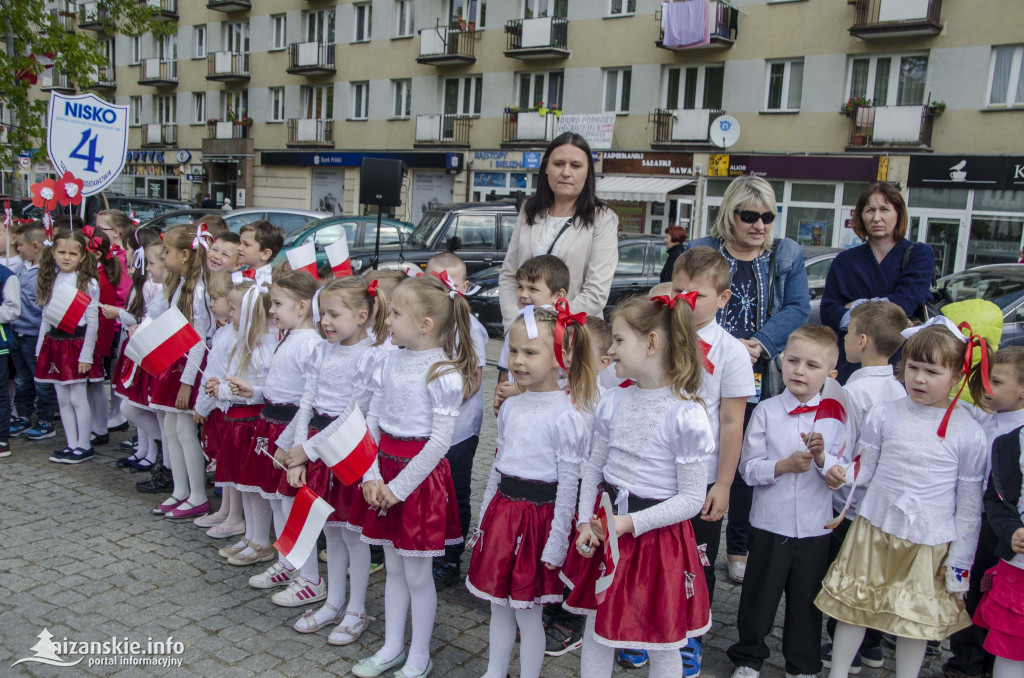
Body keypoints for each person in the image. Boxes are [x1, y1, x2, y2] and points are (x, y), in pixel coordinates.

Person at [817, 320, 988, 678]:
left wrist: (959, 562)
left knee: (915, 621)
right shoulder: (886, 413)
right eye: (913, 368)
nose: (919, 379)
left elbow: (970, 505)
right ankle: (838, 673)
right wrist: (841, 473)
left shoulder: (969, 431)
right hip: (876, 528)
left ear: (957, 376)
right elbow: (866, 468)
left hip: (928, 541)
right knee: (855, 607)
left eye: (932, 371)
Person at [561, 293, 715, 678]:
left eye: (618, 340)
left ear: (651, 343)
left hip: (655, 541)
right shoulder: (612, 401)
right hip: (606, 530)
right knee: (598, 628)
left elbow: (692, 498)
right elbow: (593, 468)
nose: (610, 350)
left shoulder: (686, 414)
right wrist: (583, 521)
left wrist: (630, 525)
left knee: (661, 639)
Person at [620, 246, 749, 677]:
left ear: (724, 299)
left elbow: (732, 421)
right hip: (651, 473)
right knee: (643, 556)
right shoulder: (656, 335)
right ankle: (638, 628)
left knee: (696, 560)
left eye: (698, 296)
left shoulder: (730, 352)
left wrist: (724, 483)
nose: (685, 302)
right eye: (678, 291)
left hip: (701, 477)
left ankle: (689, 638)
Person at [352, 274, 478, 678]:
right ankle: (391, 646)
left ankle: (419, 654)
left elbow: (440, 441)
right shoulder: (389, 360)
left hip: (417, 480)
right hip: (383, 469)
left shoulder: (442, 372)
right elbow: (373, 419)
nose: (388, 322)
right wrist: (371, 475)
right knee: (392, 567)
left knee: (417, 574)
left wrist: (398, 488)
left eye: (396, 314)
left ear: (425, 323)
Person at [687, 174, 811, 585]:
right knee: (703, 447)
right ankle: (686, 531)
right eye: (749, 215)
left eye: (767, 216)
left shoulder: (786, 253)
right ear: (730, 215)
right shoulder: (700, 250)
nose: (759, 225)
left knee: (743, 458)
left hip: (760, 369)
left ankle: (737, 545)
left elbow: (797, 307)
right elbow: (677, 300)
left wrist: (758, 344)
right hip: (702, 367)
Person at [466, 305, 594, 678]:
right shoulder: (511, 406)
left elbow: (568, 487)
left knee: (528, 611)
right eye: (514, 351)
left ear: (561, 357)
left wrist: (556, 544)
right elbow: (498, 466)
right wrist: (483, 518)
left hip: (539, 521)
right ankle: (495, 670)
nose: (518, 361)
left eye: (530, 352)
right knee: (498, 606)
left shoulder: (568, 415)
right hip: (503, 517)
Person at [728, 325, 845, 678]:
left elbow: (846, 468)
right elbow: (747, 469)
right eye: (793, 361)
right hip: (769, 522)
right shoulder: (765, 410)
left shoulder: (838, 416)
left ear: (831, 374)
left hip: (815, 526)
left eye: (812, 365)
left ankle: (803, 664)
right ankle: (748, 658)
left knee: (807, 601)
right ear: (781, 363)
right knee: (759, 596)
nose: (799, 370)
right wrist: (782, 466)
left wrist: (826, 462)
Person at [277, 276, 387, 645]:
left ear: (361, 315)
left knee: (354, 535)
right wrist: (296, 453)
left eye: (333, 314)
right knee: (331, 531)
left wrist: (306, 451)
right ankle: (334, 601)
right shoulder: (320, 349)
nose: (324, 321)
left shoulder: (371, 355)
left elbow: (354, 414)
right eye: (322, 312)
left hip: (347, 450)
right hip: (315, 448)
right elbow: (306, 403)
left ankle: (356, 609)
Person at [821, 301, 910, 673]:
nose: (843, 338)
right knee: (877, 576)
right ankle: (873, 646)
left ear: (861, 340)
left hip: (850, 500)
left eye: (847, 332)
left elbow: (846, 444)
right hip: (883, 502)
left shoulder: (852, 391)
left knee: (849, 576)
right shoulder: (899, 388)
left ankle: (845, 647)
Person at [225, 272, 322, 573]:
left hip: (288, 427)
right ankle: (284, 560)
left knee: (286, 499)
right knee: (274, 496)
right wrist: (254, 392)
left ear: (302, 307)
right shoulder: (290, 337)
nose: (271, 311)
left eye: (278, 303)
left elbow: (307, 397)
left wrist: (297, 442)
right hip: (270, 422)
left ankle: (292, 564)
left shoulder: (310, 344)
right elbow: (281, 388)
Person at [944, 346, 1024, 678]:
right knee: (968, 595)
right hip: (972, 522)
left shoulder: (1015, 435)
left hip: (1001, 530)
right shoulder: (986, 420)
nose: (987, 387)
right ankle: (965, 662)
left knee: (993, 600)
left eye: (997, 381)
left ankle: (988, 663)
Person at [498, 132, 619, 331]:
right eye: (559, 163)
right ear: (546, 167)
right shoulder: (530, 209)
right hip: (523, 334)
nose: (566, 172)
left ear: (588, 171)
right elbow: (509, 275)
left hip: (574, 335)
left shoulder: (603, 218)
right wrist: (515, 324)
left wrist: (547, 326)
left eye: (576, 165)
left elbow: (596, 292)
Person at [820, 182, 935, 383]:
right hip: (852, 364)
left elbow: (903, 303)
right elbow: (829, 312)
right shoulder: (845, 260)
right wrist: (891, 316)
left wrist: (853, 307)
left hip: (900, 362)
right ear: (860, 216)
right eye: (870, 210)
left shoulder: (919, 254)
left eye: (884, 209)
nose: (876, 217)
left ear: (898, 213)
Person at [424, 253, 490, 590]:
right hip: (427, 430)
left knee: (453, 494)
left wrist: (434, 406)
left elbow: (472, 380)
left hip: (458, 431)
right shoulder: (427, 324)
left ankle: (450, 559)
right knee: (430, 494)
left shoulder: (469, 328)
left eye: (447, 283)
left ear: (463, 288)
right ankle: (428, 550)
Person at [146, 224, 214, 519]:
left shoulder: (198, 291)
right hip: (174, 364)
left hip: (189, 368)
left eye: (167, 251)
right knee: (171, 429)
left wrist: (188, 383)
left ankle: (198, 495)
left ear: (185, 255)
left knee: (186, 432)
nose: (162, 257)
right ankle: (180, 490)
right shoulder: (179, 287)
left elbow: (199, 340)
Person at [35, 229, 103, 464]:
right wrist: (39, 349)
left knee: (77, 397)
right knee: (62, 398)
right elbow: (46, 316)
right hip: (54, 343)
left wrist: (86, 355)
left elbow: (93, 322)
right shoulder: (50, 279)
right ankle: (71, 443)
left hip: (76, 343)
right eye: (61, 252)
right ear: (52, 253)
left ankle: (84, 445)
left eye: (72, 253)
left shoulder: (89, 283)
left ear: (82, 256)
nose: (66, 257)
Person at [190, 272, 240, 534]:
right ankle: (225, 510)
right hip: (218, 404)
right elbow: (210, 371)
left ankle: (235, 515)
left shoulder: (233, 336)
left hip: (225, 404)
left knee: (230, 464)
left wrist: (203, 404)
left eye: (216, 298)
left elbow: (217, 374)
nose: (211, 303)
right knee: (224, 463)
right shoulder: (223, 332)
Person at [974, 426, 1024, 678]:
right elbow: (995, 499)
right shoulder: (1011, 443)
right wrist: (1011, 530)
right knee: (1011, 650)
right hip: (1019, 570)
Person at [494, 255, 569, 414]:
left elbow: (569, 383)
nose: (523, 294)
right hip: (517, 408)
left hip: (550, 412)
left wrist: (521, 391)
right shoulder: (518, 325)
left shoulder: (564, 331)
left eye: (533, 289)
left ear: (558, 295)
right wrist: (500, 397)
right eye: (520, 287)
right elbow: (505, 371)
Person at [9, 223, 58, 442]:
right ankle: (23, 414)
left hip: (34, 335)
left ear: (36, 245)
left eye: (20, 245)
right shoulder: (21, 267)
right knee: (22, 378)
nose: (17, 249)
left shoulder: (47, 272)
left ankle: (46, 419)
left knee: (41, 379)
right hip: (17, 332)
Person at [0, 260, 20, 458]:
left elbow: (13, 310)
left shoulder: (6, 275)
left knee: (0, 393)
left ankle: (1, 439)